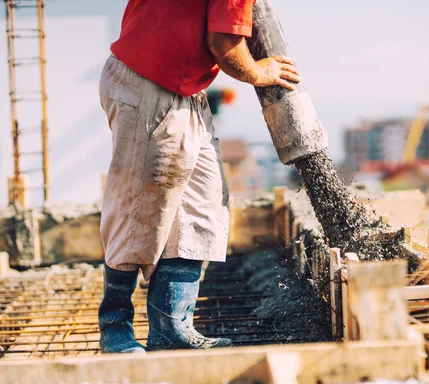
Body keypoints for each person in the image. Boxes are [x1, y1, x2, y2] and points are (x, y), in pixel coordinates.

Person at [97, 0, 300, 353]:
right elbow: (224, 44)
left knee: (202, 205)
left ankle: (171, 329)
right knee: (139, 209)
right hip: (148, 84)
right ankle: (115, 328)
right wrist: (258, 72)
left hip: (183, 87)